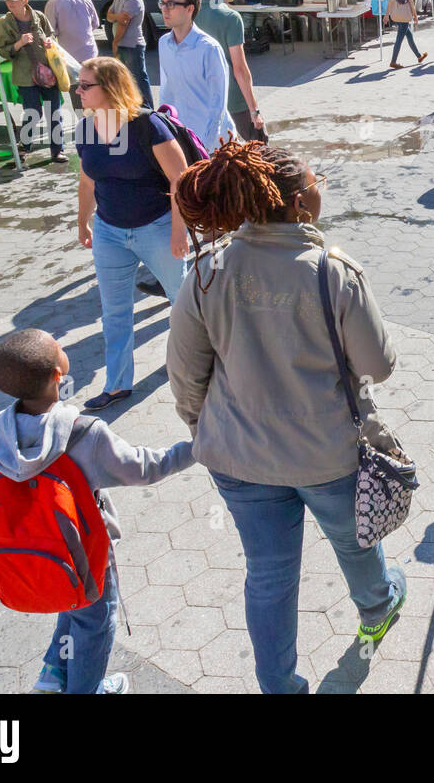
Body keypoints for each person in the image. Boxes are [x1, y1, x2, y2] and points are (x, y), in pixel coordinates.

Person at [166, 141, 407, 694]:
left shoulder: (208, 268)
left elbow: (185, 375)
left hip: (238, 459)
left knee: (269, 575)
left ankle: (278, 684)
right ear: (301, 203)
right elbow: (377, 365)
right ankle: (377, 608)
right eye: (317, 180)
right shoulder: (333, 271)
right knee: (354, 541)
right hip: (327, 455)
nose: (322, 185)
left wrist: (208, 428)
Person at [0, 328, 195, 695]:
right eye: (59, 347)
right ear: (58, 375)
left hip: (32, 552)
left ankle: (53, 675)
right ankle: (86, 687)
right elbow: (144, 469)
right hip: (86, 553)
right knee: (95, 621)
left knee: (71, 601)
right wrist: (198, 446)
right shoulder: (84, 434)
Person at [75, 56, 189, 410]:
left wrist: (177, 231)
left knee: (182, 303)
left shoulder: (147, 126)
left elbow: (180, 180)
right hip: (110, 231)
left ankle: (195, 368)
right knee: (114, 311)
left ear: (109, 88)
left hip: (156, 227)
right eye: (77, 85)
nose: (77, 92)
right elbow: (87, 179)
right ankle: (117, 384)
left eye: (84, 86)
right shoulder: (85, 129)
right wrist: (83, 220)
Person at [197, 0, 267, 145]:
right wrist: (254, 111)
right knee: (260, 152)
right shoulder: (231, 17)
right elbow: (240, 69)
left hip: (204, 98)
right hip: (234, 100)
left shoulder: (192, 12)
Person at [157, 0, 233, 153]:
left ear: (190, 9)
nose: (164, 9)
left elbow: (218, 103)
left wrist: (207, 144)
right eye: (163, 3)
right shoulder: (164, 43)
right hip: (183, 139)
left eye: (171, 4)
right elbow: (166, 93)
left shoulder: (209, 48)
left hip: (214, 146)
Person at [0, 0, 65, 162]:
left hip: (48, 72)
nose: (10, 4)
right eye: (8, 1)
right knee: (33, 111)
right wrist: (19, 43)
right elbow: (2, 50)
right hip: (25, 75)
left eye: (13, 1)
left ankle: (58, 150)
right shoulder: (5, 22)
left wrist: (50, 42)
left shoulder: (39, 16)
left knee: (54, 112)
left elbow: (51, 35)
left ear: (24, 0)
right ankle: (24, 147)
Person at [107, 0, 152, 108]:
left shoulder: (133, 0)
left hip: (132, 45)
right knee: (126, 78)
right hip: (123, 44)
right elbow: (109, 16)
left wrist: (115, 42)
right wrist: (116, 16)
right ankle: (133, 106)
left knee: (138, 78)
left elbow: (123, 23)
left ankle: (148, 109)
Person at [44, 0, 99, 72]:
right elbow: (95, 23)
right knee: (93, 86)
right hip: (90, 53)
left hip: (70, 58)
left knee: (77, 88)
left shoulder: (53, 3)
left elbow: (50, 33)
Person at [386, 0, 429, 70]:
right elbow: (410, 2)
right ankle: (393, 61)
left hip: (396, 14)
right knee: (399, 39)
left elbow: (390, 2)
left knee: (409, 35)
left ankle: (419, 56)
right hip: (404, 15)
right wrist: (415, 15)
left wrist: (387, 15)